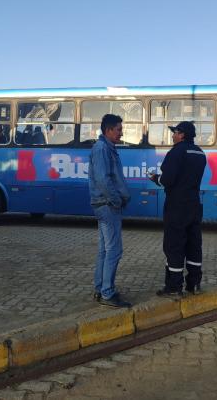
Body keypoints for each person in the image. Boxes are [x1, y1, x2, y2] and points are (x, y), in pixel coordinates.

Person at [149, 121, 207, 297]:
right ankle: (194, 284)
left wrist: (155, 178)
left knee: (174, 245)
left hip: (177, 206)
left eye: (175, 132)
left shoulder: (176, 152)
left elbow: (168, 180)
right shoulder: (200, 153)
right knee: (194, 245)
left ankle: (174, 287)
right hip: (194, 204)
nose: (172, 135)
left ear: (182, 135)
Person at [88, 114, 132, 308]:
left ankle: (101, 289)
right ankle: (107, 293)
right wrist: (116, 201)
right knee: (114, 250)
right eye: (118, 129)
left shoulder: (108, 148)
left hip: (107, 204)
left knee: (105, 250)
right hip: (107, 205)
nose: (121, 133)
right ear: (108, 130)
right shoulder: (101, 149)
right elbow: (103, 180)